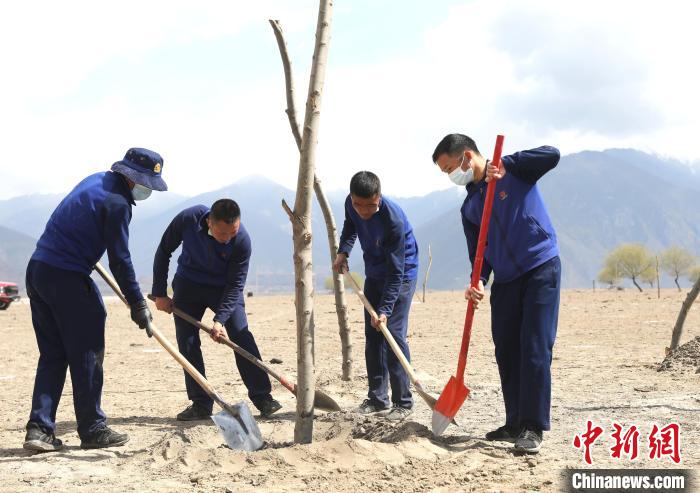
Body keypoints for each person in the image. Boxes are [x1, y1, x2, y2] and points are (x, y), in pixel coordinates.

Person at [23, 148, 166, 452]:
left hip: (38, 270)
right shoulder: (118, 203)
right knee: (87, 352)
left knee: (53, 355)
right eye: (147, 183)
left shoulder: (96, 181)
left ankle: (39, 429)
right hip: (67, 277)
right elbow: (120, 260)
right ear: (133, 178)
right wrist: (137, 302)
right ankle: (92, 429)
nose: (148, 189)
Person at [432, 134, 561, 454]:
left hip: (539, 267)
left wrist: (506, 163)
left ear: (466, 156)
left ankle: (533, 427)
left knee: (534, 348)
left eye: (450, 167)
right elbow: (479, 251)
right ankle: (514, 422)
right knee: (506, 350)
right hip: (505, 280)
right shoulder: (470, 205)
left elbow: (552, 154)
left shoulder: (513, 172)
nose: (451, 176)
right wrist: (478, 281)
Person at [151, 199, 281, 420]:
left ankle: (263, 398)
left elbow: (235, 286)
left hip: (224, 288)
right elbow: (164, 251)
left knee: (241, 335)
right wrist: (160, 293)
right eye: (223, 234)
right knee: (188, 342)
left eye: (233, 232)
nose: (228, 239)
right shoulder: (188, 218)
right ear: (209, 222)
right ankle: (201, 403)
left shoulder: (242, 241)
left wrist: (219, 320)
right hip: (188, 285)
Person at [333, 171, 419, 421]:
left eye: (370, 205)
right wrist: (344, 252)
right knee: (373, 336)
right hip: (374, 272)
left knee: (392, 332)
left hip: (401, 275)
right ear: (352, 198)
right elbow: (351, 224)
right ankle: (377, 398)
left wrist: (385, 310)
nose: (363, 211)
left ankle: (403, 401)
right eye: (358, 204)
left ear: (379, 197)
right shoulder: (352, 204)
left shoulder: (393, 220)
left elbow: (396, 272)